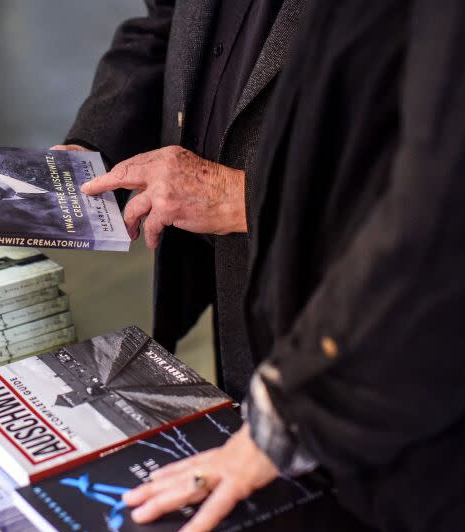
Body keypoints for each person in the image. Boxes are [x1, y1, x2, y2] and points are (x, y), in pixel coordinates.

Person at [88, 1, 465, 532]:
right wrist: (90, 154)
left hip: (394, 370)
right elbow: (172, 21)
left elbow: (453, 205)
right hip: (265, 322)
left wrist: (283, 422)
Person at [55, 0, 306, 399]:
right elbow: (166, 23)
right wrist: (92, 147)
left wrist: (244, 198)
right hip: (230, 275)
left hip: (334, 297)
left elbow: (425, 171)